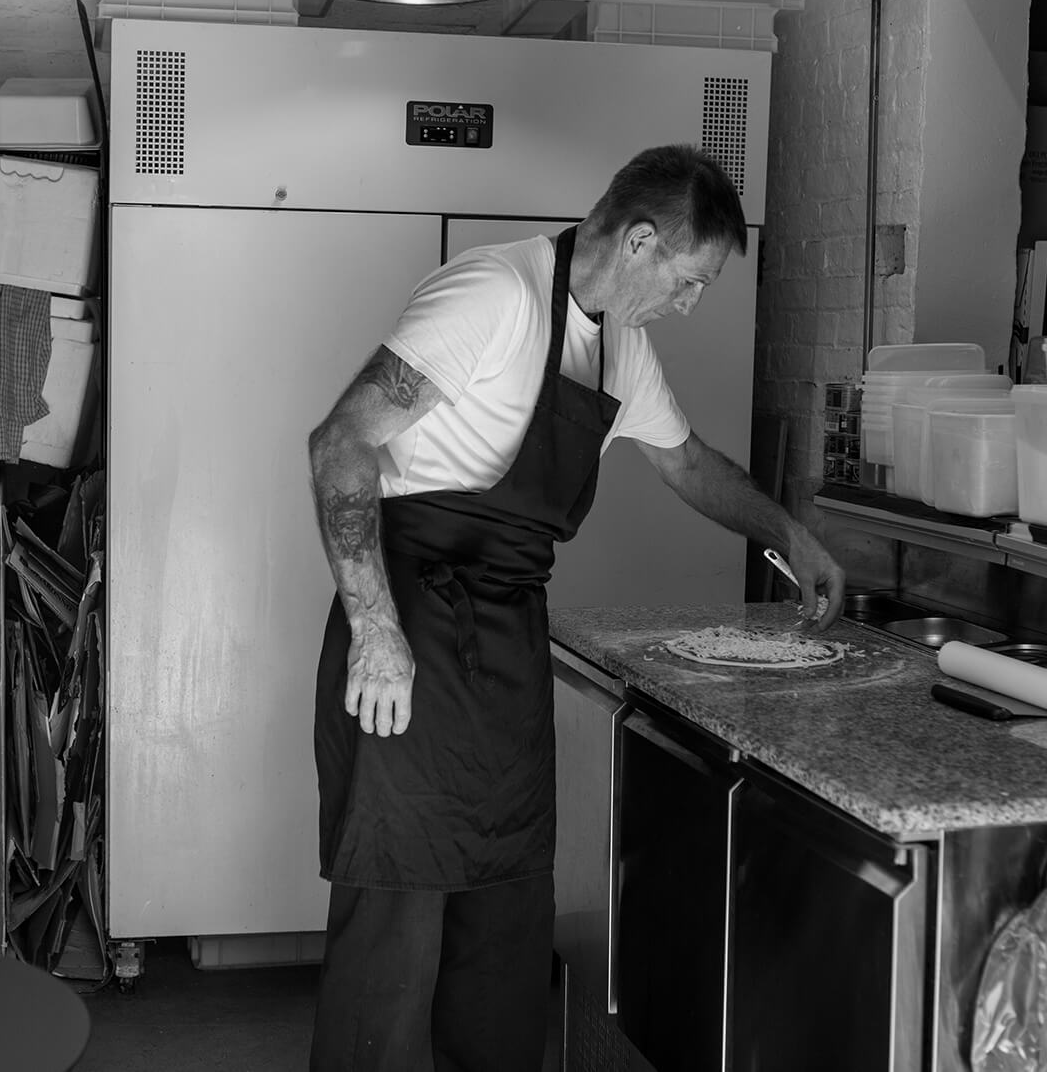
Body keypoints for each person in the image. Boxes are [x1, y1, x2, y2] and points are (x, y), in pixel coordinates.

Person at [304, 143, 846, 1071]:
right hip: (411, 629)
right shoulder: (493, 296)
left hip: (506, 644)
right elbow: (341, 445)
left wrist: (786, 536)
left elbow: (688, 464)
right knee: (396, 925)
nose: (691, 304)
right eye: (691, 280)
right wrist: (376, 630)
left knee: (507, 921)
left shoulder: (618, 350)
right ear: (639, 242)